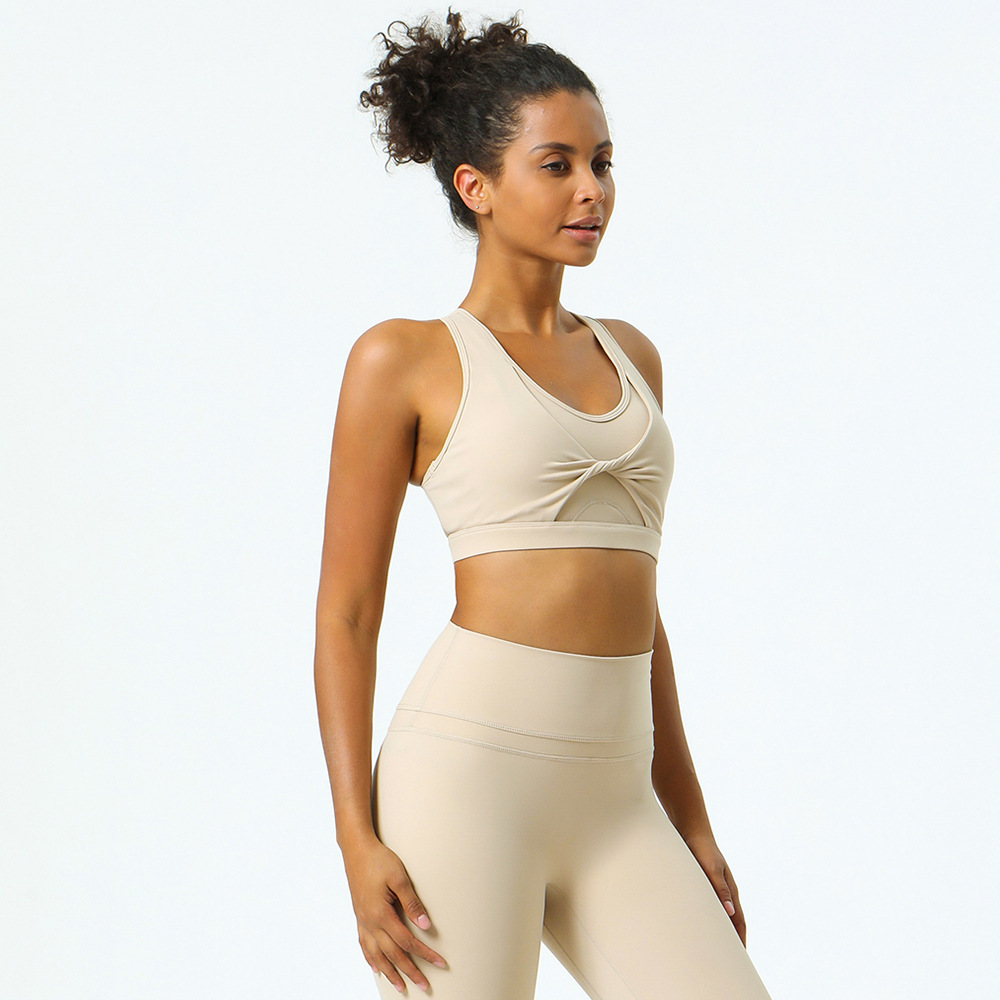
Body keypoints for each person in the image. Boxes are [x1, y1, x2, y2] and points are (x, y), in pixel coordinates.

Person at [314, 8, 775, 999]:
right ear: (475, 186)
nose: (592, 190)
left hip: (619, 794)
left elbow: (638, 602)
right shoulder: (403, 359)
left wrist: (689, 814)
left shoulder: (632, 355)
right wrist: (355, 837)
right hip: (466, 779)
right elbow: (346, 615)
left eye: (602, 164)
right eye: (556, 165)